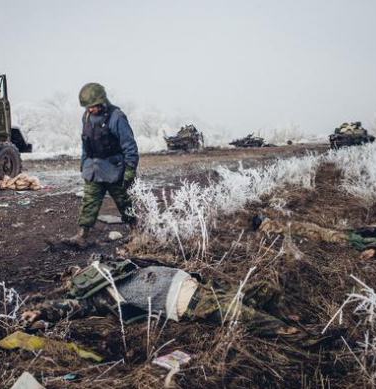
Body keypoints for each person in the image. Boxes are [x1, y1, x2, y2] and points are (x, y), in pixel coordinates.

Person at [22, 258, 326, 345]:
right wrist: (41, 310)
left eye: (81, 269)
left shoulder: (120, 266)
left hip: (199, 286)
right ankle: (311, 341)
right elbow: (72, 307)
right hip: (189, 303)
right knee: (249, 317)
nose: (83, 272)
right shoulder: (98, 295)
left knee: (264, 289)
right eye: (76, 274)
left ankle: (298, 320)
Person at [64, 83, 139, 249]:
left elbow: (130, 146)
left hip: (114, 171)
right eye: (87, 107)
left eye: (93, 106)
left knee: (124, 202)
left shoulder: (117, 117)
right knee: (89, 202)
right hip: (93, 170)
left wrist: (130, 170)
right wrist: (83, 164)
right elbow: (86, 143)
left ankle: (135, 231)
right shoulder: (86, 117)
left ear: (102, 102)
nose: (90, 110)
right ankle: (82, 234)